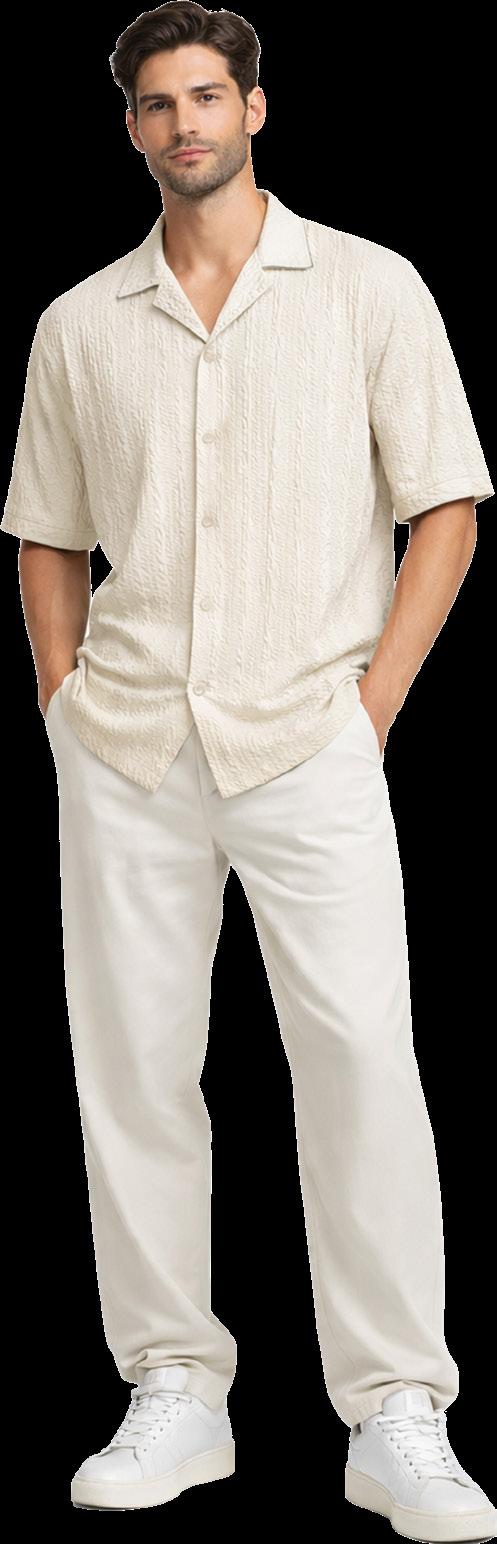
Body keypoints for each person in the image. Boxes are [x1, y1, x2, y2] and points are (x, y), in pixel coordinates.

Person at [2, 2, 495, 1528]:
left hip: (308, 738)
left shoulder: (366, 288)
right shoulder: (81, 325)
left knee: (359, 1061)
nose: (185, 125)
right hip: (129, 746)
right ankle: (174, 1386)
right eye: (157, 105)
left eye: (207, 96)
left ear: (255, 108)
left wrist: (371, 706)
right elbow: (46, 533)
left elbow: (444, 505)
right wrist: (64, 702)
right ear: (131, 129)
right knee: (134, 1069)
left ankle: (395, 1408)